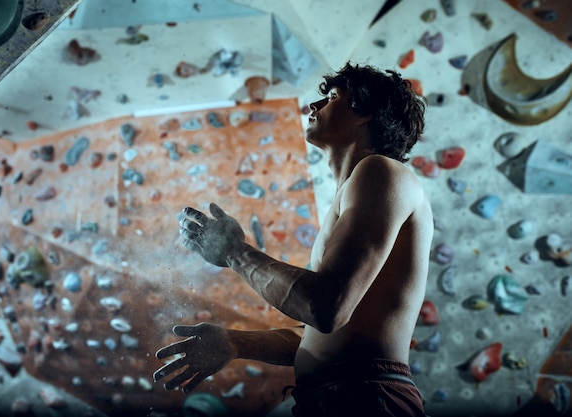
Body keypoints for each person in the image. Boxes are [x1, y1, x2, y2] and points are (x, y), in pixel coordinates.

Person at [153, 62, 433, 417]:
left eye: (332, 98)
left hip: (366, 397)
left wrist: (235, 253)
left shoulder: (381, 171)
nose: (313, 107)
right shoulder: (356, 193)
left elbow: (327, 308)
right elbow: (318, 336)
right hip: (341, 395)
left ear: (366, 114)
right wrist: (235, 342)